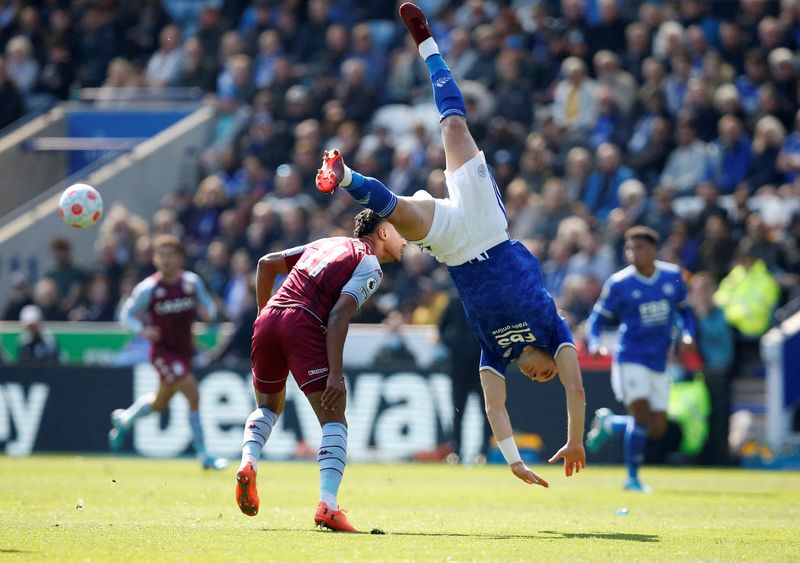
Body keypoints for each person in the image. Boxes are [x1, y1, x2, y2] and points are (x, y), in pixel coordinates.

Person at [315, 3, 586, 488]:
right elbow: (576, 388)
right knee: (454, 128)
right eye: (546, 373)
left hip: (456, 249)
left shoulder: (492, 353)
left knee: (397, 211)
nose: (541, 376)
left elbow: (494, 406)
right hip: (487, 226)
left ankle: (345, 174)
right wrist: (576, 437)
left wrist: (512, 459)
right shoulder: (554, 328)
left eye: (536, 379)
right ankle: (427, 43)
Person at [235, 209, 406, 532]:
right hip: (303, 323)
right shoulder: (369, 263)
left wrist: (263, 314)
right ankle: (327, 504)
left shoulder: (325, 243)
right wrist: (336, 374)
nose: (406, 240)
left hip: (271, 318)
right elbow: (339, 316)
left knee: (268, 407)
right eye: (401, 232)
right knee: (334, 418)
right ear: (383, 233)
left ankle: (248, 462)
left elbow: (266, 264)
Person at [585, 226, 696, 491]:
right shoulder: (619, 283)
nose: (633, 253)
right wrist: (595, 343)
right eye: (629, 248)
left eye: (639, 247)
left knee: (657, 428)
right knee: (641, 417)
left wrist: (688, 334)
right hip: (630, 357)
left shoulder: (672, 276)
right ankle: (632, 479)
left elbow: (685, 312)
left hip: (659, 361)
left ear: (653, 250)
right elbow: (596, 320)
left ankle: (610, 423)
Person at [108, 234, 227, 471]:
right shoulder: (149, 288)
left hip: (184, 351)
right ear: (154, 259)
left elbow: (210, 308)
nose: (165, 260)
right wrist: (142, 330)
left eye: (170, 255)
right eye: (160, 255)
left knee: (161, 402)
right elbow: (125, 315)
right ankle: (204, 455)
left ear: (180, 258)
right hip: (162, 352)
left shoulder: (191, 283)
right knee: (193, 393)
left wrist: (208, 314)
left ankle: (124, 419)